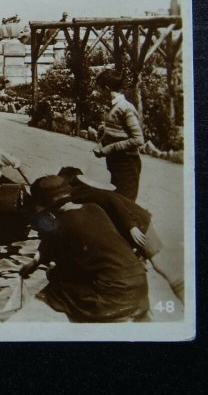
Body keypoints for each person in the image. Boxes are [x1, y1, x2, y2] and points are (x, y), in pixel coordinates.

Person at [19, 175, 150, 323]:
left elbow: (66, 270)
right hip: (140, 286)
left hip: (115, 296)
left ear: (46, 207)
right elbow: (53, 244)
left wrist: (51, 272)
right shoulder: (94, 209)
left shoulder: (60, 224)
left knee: (56, 289)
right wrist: (35, 261)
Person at [57, 167, 183, 303]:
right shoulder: (90, 190)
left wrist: (131, 226)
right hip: (133, 221)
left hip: (136, 223)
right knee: (153, 264)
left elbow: (110, 198)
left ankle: (186, 299)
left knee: (160, 263)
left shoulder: (79, 193)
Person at [92, 69, 144, 201]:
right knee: (115, 202)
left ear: (106, 88)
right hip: (115, 161)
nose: (97, 93)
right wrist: (102, 141)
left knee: (125, 205)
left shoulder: (125, 108)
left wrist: (111, 148)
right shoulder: (113, 106)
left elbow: (138, 139)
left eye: (99, 89)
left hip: (127, 164)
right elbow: (117, 133)